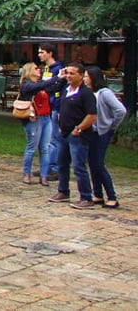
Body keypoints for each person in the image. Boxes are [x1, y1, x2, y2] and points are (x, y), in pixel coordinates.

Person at [48, 63, 99, 209]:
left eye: (72, 74)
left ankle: (86, 197)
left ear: (81, 75)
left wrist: (79, 128)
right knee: (62, 163)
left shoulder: (86, 94)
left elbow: (92, 115)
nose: (69, 76)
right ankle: (63, 191)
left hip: (78, 135)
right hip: (64, 132)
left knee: (78, 166)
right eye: (68, 73)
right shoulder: (66, 90)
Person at [85, 66, 126, 208]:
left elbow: (120, 110)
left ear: (93, 78)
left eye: (86, 76)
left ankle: (112, 197)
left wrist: (110, 125)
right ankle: (98, 194)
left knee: (98, 164)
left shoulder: (105, 93)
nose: (84, 79)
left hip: (102, 132)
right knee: (92, 163)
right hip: (91, 131)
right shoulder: (90, 92)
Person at [17, 62, 55, 186]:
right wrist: (56, 78)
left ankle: (44, 175)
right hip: (34, 118)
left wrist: (62, 78)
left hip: (46, 118)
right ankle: (26, 173)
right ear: (29, 71)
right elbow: (37, 88)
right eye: (36, 68)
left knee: (45, 148)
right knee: (31, 147)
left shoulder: (41, 85)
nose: (39, 70)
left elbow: (53, 87)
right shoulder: (27, 85)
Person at [38, 43, 66, 171]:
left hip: (54, 106)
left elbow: (56, 87)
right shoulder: (46, 69)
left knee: (54, 138)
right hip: (46, 106)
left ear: (50, 53)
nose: (40, 55)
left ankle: (54, 168)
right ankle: (47, 166)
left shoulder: (58, 69)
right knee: (47, 139)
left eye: (42, 52)